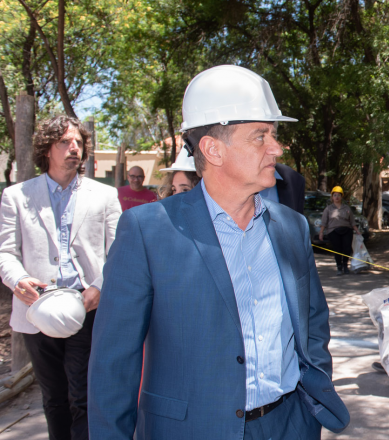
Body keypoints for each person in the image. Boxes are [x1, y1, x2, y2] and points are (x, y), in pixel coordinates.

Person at [88, 65, 349, 440]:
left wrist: (310, 402)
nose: (276, 148)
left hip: (290, 425)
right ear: (213, 149)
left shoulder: (291, 226)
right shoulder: (147, 231)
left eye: (273, 136)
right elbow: (114, 363)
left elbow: (312, 323)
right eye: (260, 136)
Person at [0, 115, 121, 440]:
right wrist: (18, 280)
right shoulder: (16, 196)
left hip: (87, 310)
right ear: (47, 149)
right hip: (35, 312)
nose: (73, 148)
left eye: (78, 143)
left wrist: (99, 287)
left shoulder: (104, 196)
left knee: (81, 395)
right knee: (53, 399)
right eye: (64, 142)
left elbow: (119, 253)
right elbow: (5, 252)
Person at [318, 186, 359, 276]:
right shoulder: (328, 209)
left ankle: (345, 265)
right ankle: (339, 267)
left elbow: (352, 221)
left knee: (347, 248)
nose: (337, 197)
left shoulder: (347, 208)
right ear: (332, 197)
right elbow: (324, 222)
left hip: (347, 230)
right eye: (335, 195)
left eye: (339, 195)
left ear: (341, 197)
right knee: (337, 249)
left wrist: (357, 231)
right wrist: (321, 233)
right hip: (333, 231)